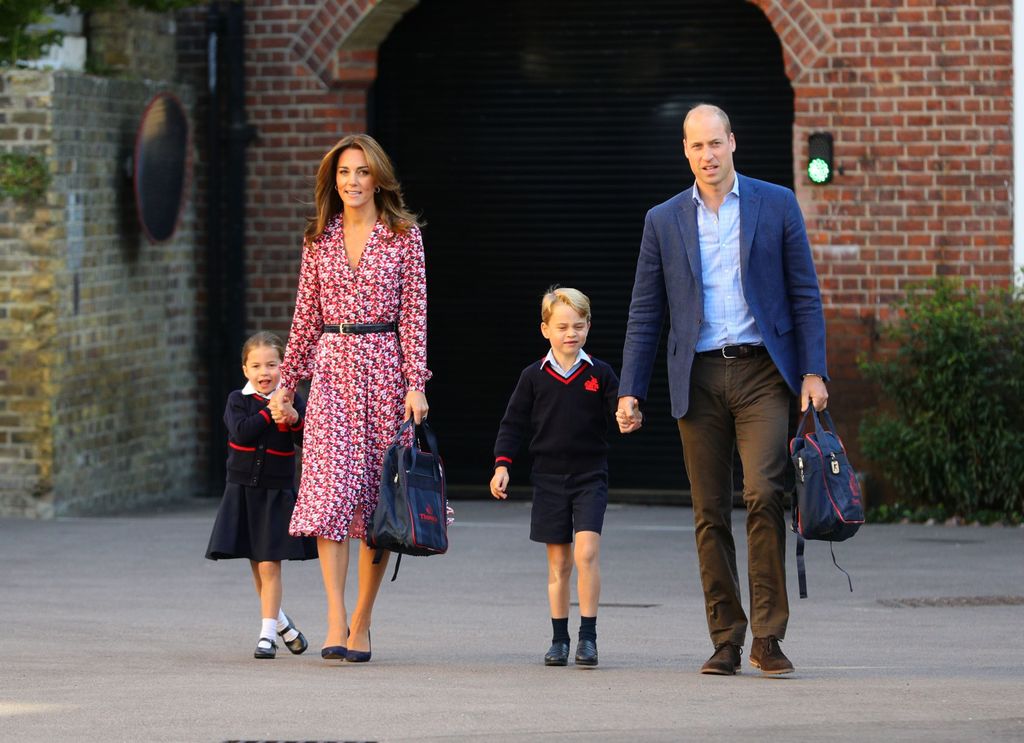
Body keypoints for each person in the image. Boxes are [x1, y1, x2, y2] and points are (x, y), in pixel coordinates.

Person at [617, 103, 829, 676]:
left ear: (733, 142)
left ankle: (768, 635)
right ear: (684, 151)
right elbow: (645, 311)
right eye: (695, 146)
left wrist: (814, 371)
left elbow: (804, 294)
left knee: (764, 493)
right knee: (709, 510)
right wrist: (630, 389)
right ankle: (726, 636)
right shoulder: (662, 220)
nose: (707, 156)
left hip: (763, 373)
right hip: (699, 376)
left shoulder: (776, 204)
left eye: (715, 143)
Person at [269, 134, 430, 664]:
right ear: (332, 181)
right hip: (333, 373)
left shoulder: (404, 237)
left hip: (385, 370)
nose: (352, 182)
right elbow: (304, 319)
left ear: (378, 178)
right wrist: (285, 384)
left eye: (362, 172)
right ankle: (335, 618)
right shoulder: (318, 240)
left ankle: (363, 617)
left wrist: (415, 383)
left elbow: (415, 317)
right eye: (343, 173)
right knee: (328, 497)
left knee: (375, 503)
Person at [490, 287, 630, 668]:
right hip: (548, 479)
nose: (571, 333)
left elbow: (621, 408)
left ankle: (588, 637)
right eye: (563, 326)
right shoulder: (533, 377)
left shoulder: (599, 373)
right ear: (545, 329)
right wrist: (502, 465)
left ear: (588, 328)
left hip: (590, 477)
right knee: (559, 565)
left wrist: (628, 415)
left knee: (586, 553)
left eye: (579, 326)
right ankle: (559, 639)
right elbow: (513, 423)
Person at [205, 331, 318, 660]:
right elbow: (241, 431)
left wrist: (295, 418)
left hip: (275, 491)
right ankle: (284, 626)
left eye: (272, 364)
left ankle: (267, 635)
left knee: (270, 564)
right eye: (256, 365)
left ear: (284, 367)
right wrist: (271, 412)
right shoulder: (237, 400)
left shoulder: (292, 399)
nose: (264, 372)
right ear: (245, 370)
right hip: (242, 490)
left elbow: (307, 439)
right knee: (258, 565)